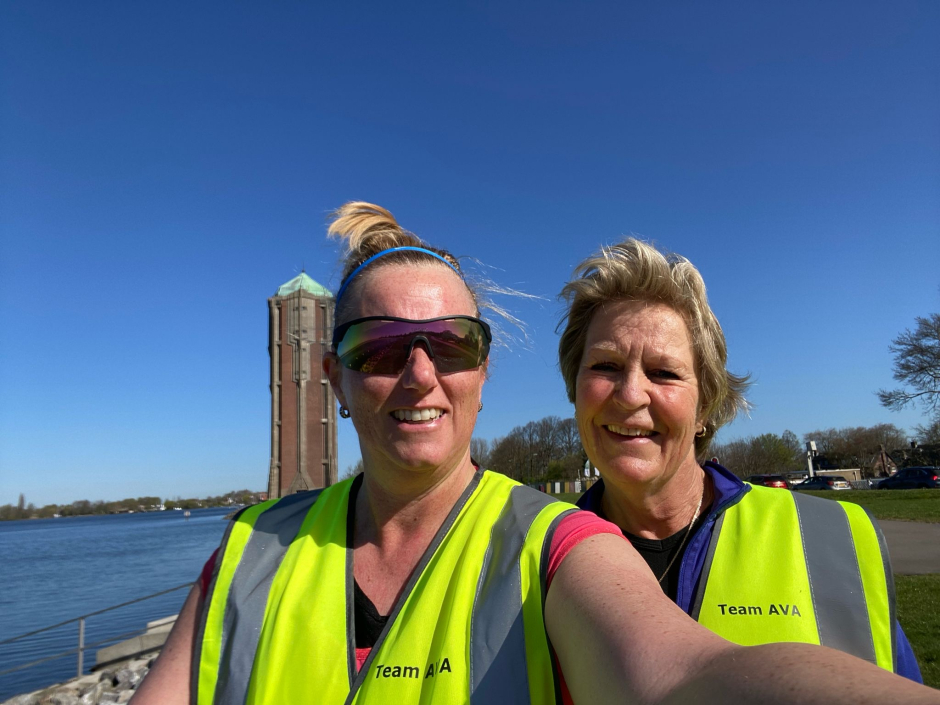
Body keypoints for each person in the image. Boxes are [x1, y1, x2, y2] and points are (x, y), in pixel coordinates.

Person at [135, 204, 939, 705]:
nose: (419, 370)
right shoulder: (245, 556)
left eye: (451, 344)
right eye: (379, 348)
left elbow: (677, 676)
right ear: (331, 376)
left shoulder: (554, 544)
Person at [557, 237, 923, 681]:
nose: (631, 394)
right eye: (605, 366)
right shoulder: (533, 557)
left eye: (664, 373)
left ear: (705, 409)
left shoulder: (831, 543)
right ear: (575, 391)